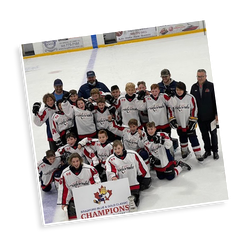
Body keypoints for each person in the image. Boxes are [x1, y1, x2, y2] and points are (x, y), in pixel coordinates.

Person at [106, 140, 151, 207]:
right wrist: (113, 177)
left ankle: (135, 196)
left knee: (134, 198)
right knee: (122, 200)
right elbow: (110, 171)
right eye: (115, 149)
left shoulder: (132, 154)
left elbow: (141, 166)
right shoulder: (110, 159)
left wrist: (143, 177)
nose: (117, 150)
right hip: (122, 184)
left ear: (122, 147)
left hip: (134, 181)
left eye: (118, 148)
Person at [57, 153, 101, 219]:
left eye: (77, 161)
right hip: (74, 199)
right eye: (73, 162)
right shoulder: (65, 173)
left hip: (89, 197)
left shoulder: (90, 169)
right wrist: (64, 202)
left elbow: (97, 181)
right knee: (73, 218)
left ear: (80, 160)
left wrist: (96, 188)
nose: (76, 163)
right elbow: (64, 189)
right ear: (70, 162)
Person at [169, 82, 203, 161]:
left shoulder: (190, 97)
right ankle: (184, 151)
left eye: (180, 90)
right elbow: (171, 109)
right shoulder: (173, 98)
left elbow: (194, 108)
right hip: (179, 123)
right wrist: (172, 119)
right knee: (182, 137)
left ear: (184, 90)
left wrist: (193, 119)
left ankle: (198, 154)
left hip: (189, 123)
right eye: (177, 90)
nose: (179, 91)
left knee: (193, 138)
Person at [190, 69, 219, 160]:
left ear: (206, 76)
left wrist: (216, 114)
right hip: (200, 117)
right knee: (204, 134)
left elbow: (215, 101)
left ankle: (215, 151)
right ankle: (207, 151)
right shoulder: (194, 87)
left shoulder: (211, 86)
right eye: (198, 76)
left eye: (202, 76)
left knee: (213, 134)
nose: (200, 78)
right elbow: (192, 103)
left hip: (211, 117)